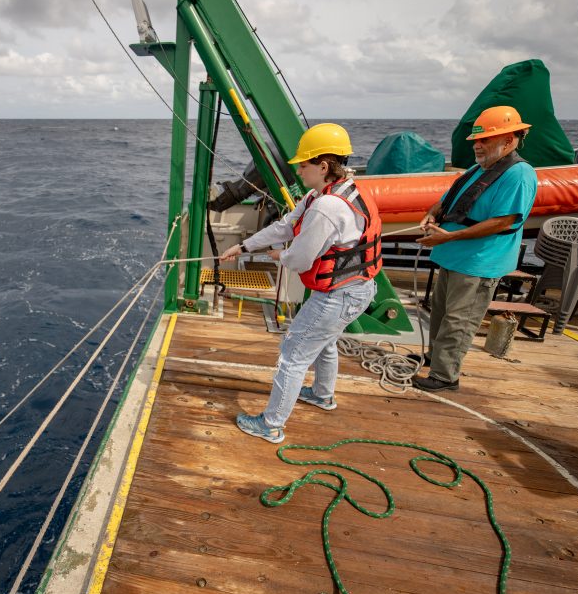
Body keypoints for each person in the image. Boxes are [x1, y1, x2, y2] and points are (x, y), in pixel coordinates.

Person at [219, 123, 382, 443]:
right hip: (358, 289)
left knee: (292, 354)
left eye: (303, 165)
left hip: (339, 295)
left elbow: (300, 260)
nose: (299, 170)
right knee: (324, 341)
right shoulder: (332, 193)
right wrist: (245, 246)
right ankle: (322, 395)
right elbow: (284, 227)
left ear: (323, 166)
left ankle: (271, 424)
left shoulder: (326, 207)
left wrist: (278, 257)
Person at [413, 106, 538, 392]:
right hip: (454, 256)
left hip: (479, 261)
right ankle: (435, 358)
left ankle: (445, 376)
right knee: (441, 311)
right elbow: (447, 200)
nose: (478, 146)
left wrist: (450, 238)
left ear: (508, 140)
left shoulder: (519, 174)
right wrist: (432, 214)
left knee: (460, 318)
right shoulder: (478, 169)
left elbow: (504, 221)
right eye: (476, 141)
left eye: (485, 140)